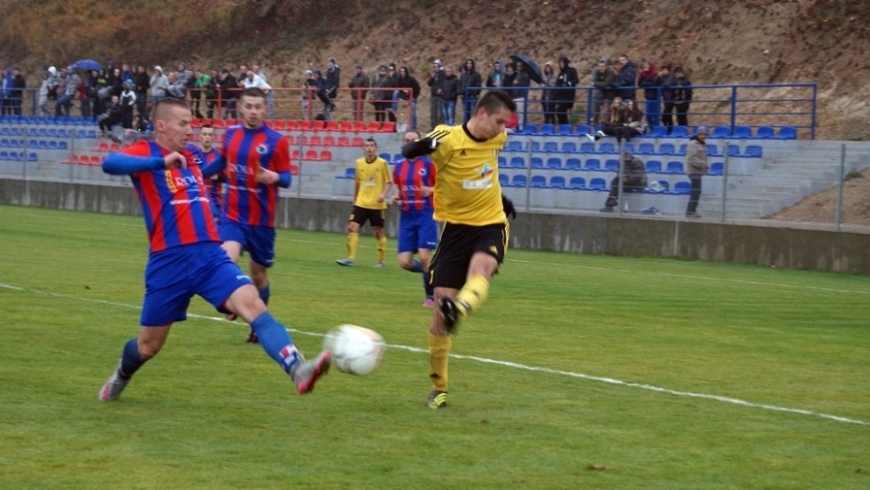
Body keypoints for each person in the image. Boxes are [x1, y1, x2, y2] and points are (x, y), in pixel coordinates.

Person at [97, 98, 330, 402]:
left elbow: (222, 163)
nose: (190, 130)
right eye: (183, 124)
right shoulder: (147, 153)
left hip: (210, 256)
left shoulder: (192, 155)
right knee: (148, 346)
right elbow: (109, 164)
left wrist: (261, 173)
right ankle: (122, 375)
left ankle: (298, 368)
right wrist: (160, 162)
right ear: (161, 126)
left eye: (191, 123)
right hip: (169, 262)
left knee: (254, 304)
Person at [400, 90, 518, 409]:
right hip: (454, 230)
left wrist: (502, 200)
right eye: (499, 120)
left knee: (481, 270)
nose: (502, 128)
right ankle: (439, 388)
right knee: (439, 317)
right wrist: (425, 146)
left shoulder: (499, 138)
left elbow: (486, 170)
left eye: (505, 122)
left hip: (491, 223)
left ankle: (461, 308)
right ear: (480, 113)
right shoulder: (447, 137)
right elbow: (409, 149)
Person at [200, 88, 293, 344]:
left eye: (258, 107)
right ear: (240, 108)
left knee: (258, 274)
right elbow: (221, 161)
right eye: (248, 106)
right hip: (233, 215)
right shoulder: (231, 134)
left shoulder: (276, 141)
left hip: (262, 221)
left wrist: (274, 177)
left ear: (265, 110)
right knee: (225, 260)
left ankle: (255, 324)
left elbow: (287, 178)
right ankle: (235, 303)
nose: (253, 111)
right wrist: (198, 176)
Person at [390, 130, 438, 307]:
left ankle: (431, 296)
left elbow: (444, 186)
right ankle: (433, 272)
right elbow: (400, 188)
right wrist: (396, 196)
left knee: (425, 257)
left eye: (413, 140)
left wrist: (430, 190)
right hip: (407, 217)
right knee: (405, 262)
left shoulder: (429, 164)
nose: (409, 142)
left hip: (425, 214)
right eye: (406, 140)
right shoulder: (399, 166)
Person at [335, 138, 393, 268]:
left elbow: (389, 182)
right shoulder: (359, 163)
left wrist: (383, 194)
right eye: (367, 146)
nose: (369, 148)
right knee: (352, 227)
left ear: (375, 148)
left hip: (376, 204)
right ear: (363, 148)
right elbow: (358, 182)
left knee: (378, 232)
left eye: (372, 146)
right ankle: (350, 258)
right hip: (361, 203)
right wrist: (355, 198)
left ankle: (380, 261)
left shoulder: (382, 163)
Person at [685, 126, 709, 218]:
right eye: (700, 134)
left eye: (704, 134)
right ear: (697, 134)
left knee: (696, 191)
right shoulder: (693, 144)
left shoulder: (701, 144)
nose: (703, 136)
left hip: (698, 171)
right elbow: (692, 158)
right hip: (694, 171)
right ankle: (690, 211)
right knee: (696, 191)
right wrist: (703, 165)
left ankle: (692, 211)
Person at [553, 56, 579, 126]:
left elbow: (576, 80)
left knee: (559, 110)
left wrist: (568, 83)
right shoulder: (560, 74)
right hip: (561, 97)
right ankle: (564, 126)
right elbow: (557, 84)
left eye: (562, 62)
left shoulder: (572, 70)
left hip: (569, 96)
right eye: (560, 63)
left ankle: (565, 125)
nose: (561, 64)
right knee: (560, 111)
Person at [637, 60, 660, 129]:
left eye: (648, 66)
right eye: (645, 66)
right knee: (648, 115)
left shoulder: (654, 74)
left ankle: (656, 128)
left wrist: (645, 83)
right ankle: (651, 127)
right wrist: (645, 82)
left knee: (655, 115)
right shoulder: (643, 75)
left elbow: (653, 83)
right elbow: (639, 84)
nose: (646, 67)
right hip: (648, 97)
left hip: (655, 97)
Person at [458, 58, 482, 123]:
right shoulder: (463, 75)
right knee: (465, 114)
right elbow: (460, 84)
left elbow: (478, 86)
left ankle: (473, 129)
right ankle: (466, 128)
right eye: (468, 63)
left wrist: (473, 92)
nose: (469, 65)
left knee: (473, 113)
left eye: (470, 63)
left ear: (473, 65)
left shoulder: (476, 75)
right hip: (464, 97)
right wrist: (460, 93)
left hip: (472, 96)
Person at [427, 59, 445, 129]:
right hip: (433, 95)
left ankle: (441, 128)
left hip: (441, 96)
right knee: (433, 113)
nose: (435, 68)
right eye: (434, 67)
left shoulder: (443, 74)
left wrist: (441, 89)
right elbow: (429, 84)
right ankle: (433, 127)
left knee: (440, 113)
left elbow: (445, 83)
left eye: (437, 66)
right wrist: (432, 78)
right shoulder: (434, 75)